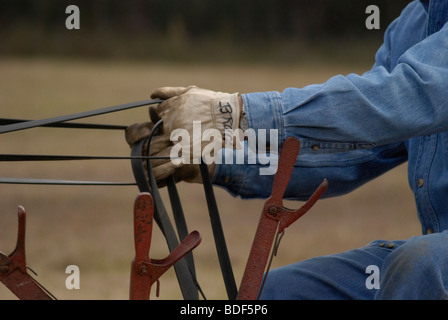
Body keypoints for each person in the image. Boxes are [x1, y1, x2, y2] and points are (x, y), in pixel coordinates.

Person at [126, 0, 448, 299]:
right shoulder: (411, 25)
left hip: (425, 264)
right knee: (275, 293)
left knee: (419, 265)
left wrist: (234, 113)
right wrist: (217, 161)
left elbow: (404, 96)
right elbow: (357, 151)